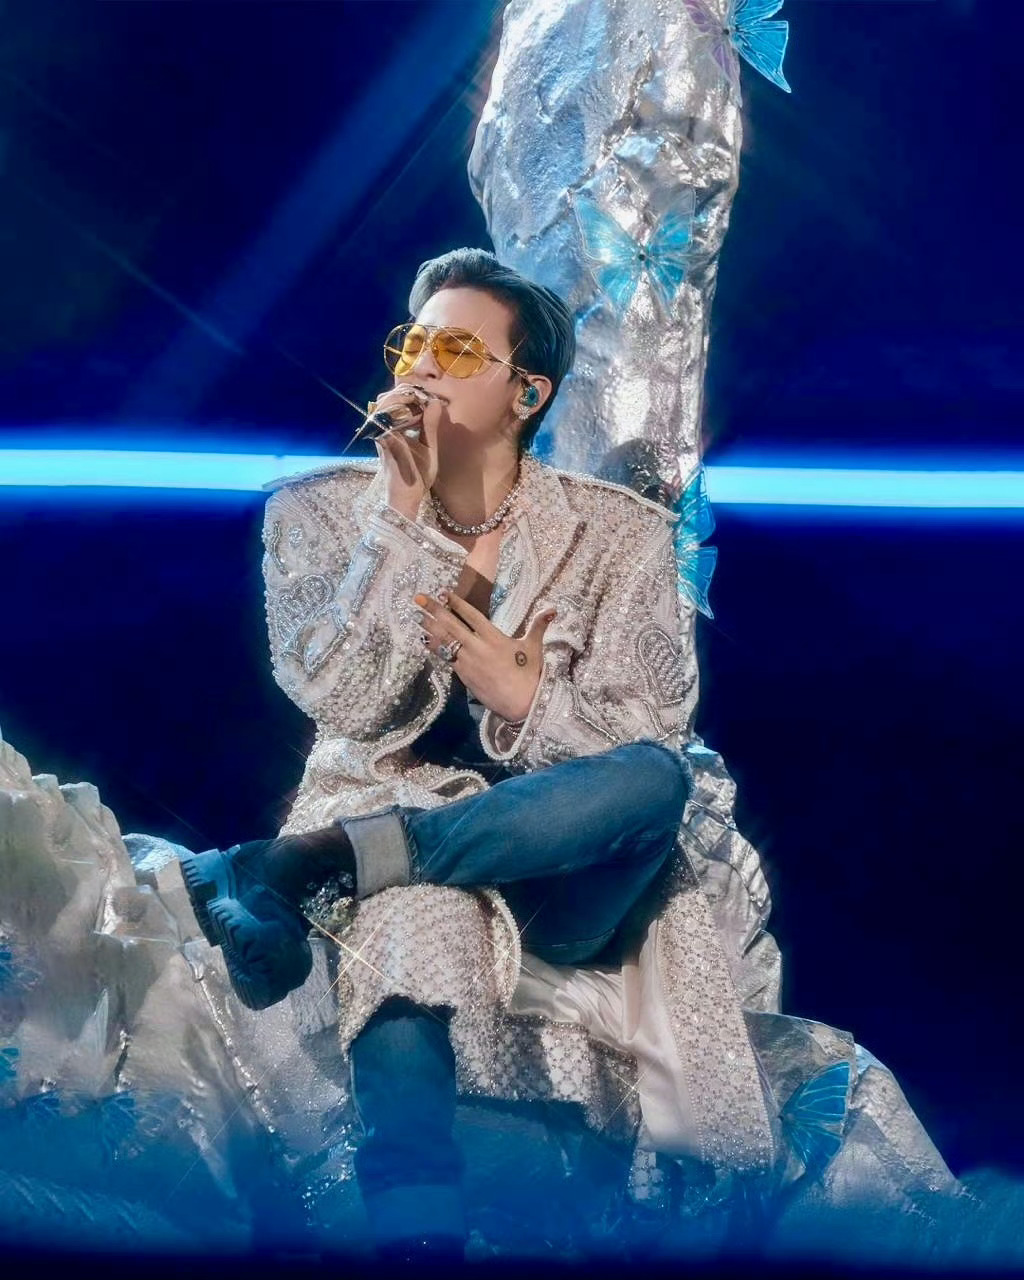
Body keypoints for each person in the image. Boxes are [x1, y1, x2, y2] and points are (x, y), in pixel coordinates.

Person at [180, 247, 702, 1260]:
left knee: (659, 778)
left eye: (456, 349)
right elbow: (340, 697)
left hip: (556, 872)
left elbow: (647, 740)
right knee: (406, 911)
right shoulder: (313, 513)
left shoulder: (621, 536)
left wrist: (525, 701)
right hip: (390, 817)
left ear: (526, 392)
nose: (419, 364)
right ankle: (418, 1236)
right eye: (411, 342)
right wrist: (397, 524)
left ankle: (307, 862)